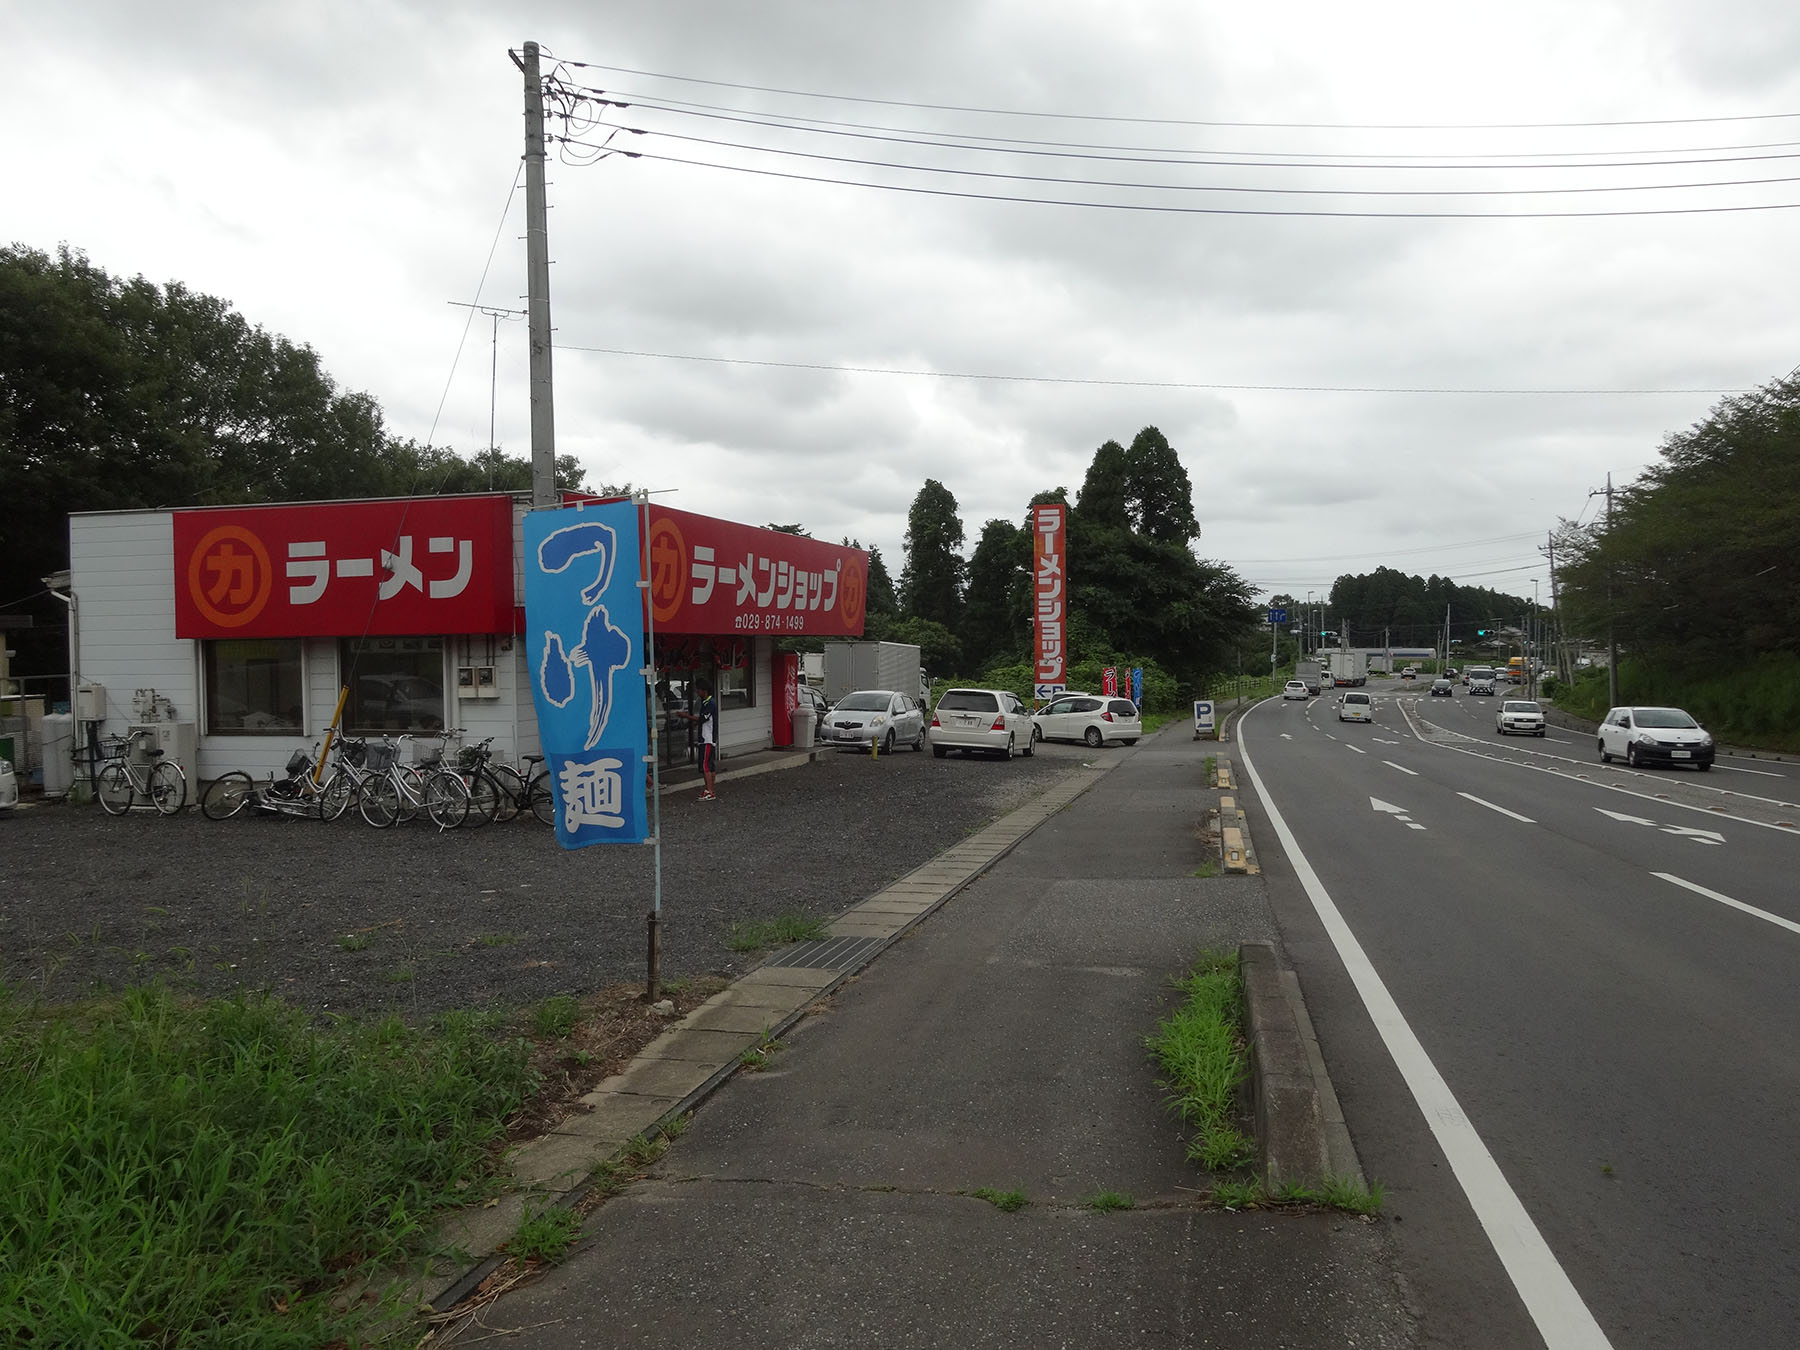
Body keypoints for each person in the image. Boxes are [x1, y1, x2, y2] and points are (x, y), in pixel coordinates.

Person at [680, 679, 719, 800]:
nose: (697, 692)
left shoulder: (710, 703)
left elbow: (703, 719)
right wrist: (696, 723)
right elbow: (703, 720)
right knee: (710, 765)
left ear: (704, 690)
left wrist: (686, 716)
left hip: (707, 738)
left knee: (705, 765)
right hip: (707, 737)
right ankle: (711, 790)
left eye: (699, 690)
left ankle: (709, 791)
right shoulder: (705, 702)